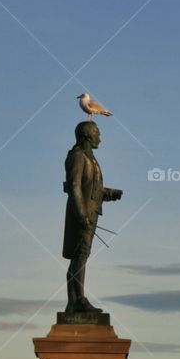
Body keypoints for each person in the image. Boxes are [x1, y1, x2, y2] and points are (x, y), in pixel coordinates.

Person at [62, 121, 122, 313]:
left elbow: (91, 188)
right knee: (80, 256)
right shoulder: (78, 157)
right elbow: (75, 186)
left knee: (82, 256)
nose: (100, 139)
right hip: (83, 214)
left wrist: (109, 193)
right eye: (98, 134)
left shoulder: (90, 158)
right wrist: (81, 214)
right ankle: (78, 300)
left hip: (91, 212)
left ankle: (74, 302)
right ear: (88, 136)